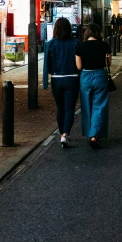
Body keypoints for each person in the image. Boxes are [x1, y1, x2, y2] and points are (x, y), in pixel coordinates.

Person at [43, 18, 79, 148]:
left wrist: (45, 81)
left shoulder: (50, 44)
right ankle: (65, 134)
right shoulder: (76, 43)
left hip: (56, 78)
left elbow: (47, 64)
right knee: (70, 109)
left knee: (60, 107)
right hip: (72, 78)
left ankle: (61, 133)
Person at [75, 23, 111, 149]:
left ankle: (89, 132)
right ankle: (94, 135)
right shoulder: (104, 45)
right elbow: (109, 63)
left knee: (86, 105)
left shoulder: (80, 46)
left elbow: (79, 66)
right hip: (100, 75)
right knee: (99, 105)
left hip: (85, 76)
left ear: (87, 33)